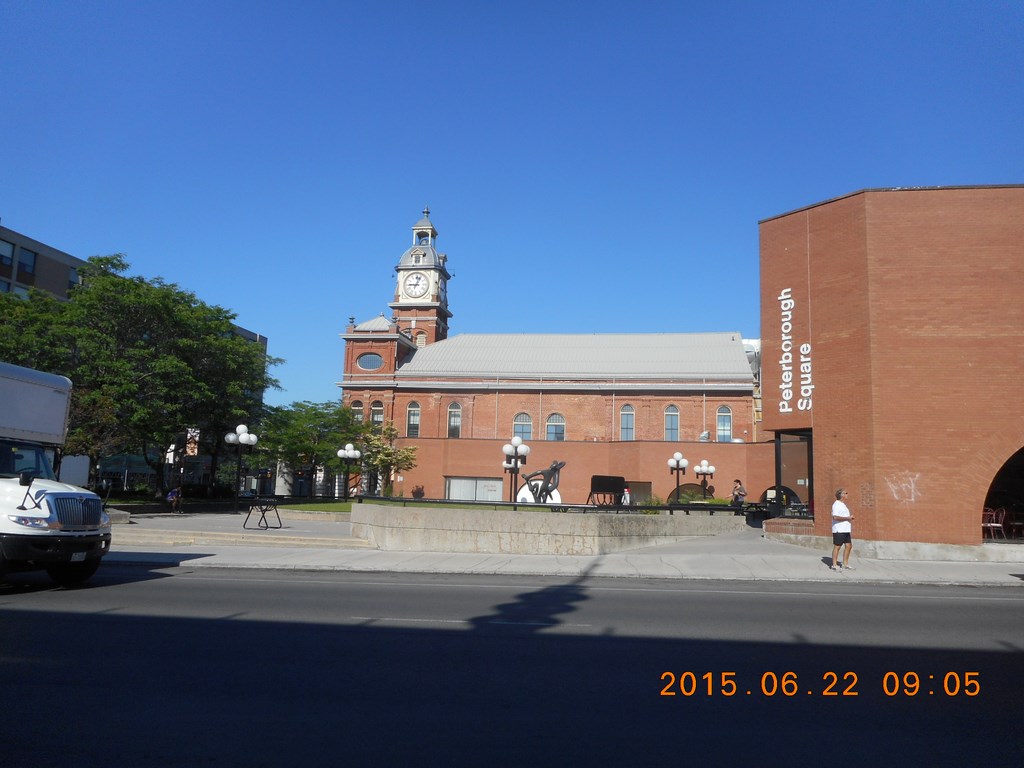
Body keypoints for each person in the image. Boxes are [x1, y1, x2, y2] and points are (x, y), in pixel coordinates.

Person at [830, 488, 854, 570]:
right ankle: (834, 565)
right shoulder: (836, 505)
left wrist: (849, 518)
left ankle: (845, 564)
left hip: (846, 529)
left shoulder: (843, 504)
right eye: (846, 493)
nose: (847, 494)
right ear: (842, 495)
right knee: (837, 546)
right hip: (839, 529)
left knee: (849, 546)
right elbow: (835, 517)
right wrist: (848, 518)